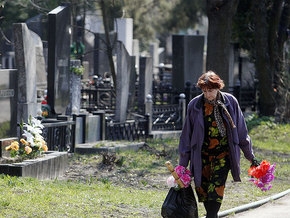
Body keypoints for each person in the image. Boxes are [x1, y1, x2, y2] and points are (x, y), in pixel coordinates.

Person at [178, 71, 259, 218]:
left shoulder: (230, 102)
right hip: (201, 157)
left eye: (211, 90)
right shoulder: (195, 105)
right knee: (203, 192)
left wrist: (250, 156)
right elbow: (186, 136)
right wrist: (182, 165)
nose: (208, 94)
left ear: (218, 87)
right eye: (204, 91)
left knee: (216, 191)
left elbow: (241, 131)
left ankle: (212, 215)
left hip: (223, 156)